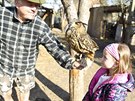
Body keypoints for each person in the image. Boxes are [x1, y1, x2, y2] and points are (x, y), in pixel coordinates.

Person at [0, 0, 85, 101]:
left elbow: (54, 46)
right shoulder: (2, 16)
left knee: (24, 95)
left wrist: (71, 62)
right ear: (17, 3)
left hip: (26, 71)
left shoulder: (40, 26)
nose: (34, 9)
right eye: (30, 4)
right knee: (6, 93)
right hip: (4, 67)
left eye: (37, 6)